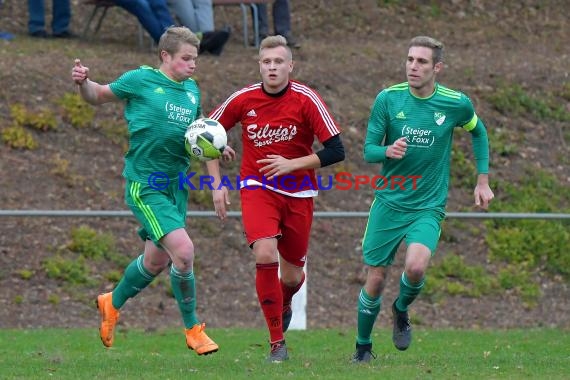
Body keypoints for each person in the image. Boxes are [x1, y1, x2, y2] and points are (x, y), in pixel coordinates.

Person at [71, 26, 234, 355]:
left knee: (155, 261)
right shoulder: (140, 80)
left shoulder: (192, 91)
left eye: (195, 59)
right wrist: (83, 82)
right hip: (146, 185)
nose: (192, 65)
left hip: (176, 187)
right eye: (185, 59)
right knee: (184, 253)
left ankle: (111, 303)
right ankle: (193, 329)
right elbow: (97, 95)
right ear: (166, 56)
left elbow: (200, 136)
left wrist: (219, 156)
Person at [351, 35, 495, 363]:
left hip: (428, 205)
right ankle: (362, 347)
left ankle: (401, 309)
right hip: (388, 202)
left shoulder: (455, 103)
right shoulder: (388, 99)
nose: (413, 67)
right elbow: (369, 149)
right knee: (375, 278)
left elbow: (478, 131)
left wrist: (482, 180)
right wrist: (387, 150)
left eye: (422, 62)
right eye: (410, 60)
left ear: (437, 68)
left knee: (415, 267)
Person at [206, 35, 345, 362]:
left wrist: (293, 164)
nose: (272, 67)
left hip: (299, 193)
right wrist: (216, 185)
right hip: (256, 187)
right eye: (266, 62)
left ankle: (283, 302)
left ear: (289, 66)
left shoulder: (306, 99)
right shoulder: (243, 99)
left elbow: (337, 150)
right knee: (265, 254)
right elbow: (205, 134)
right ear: (259, 65)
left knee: (293, 277)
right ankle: (276, 343)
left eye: (278, 62)